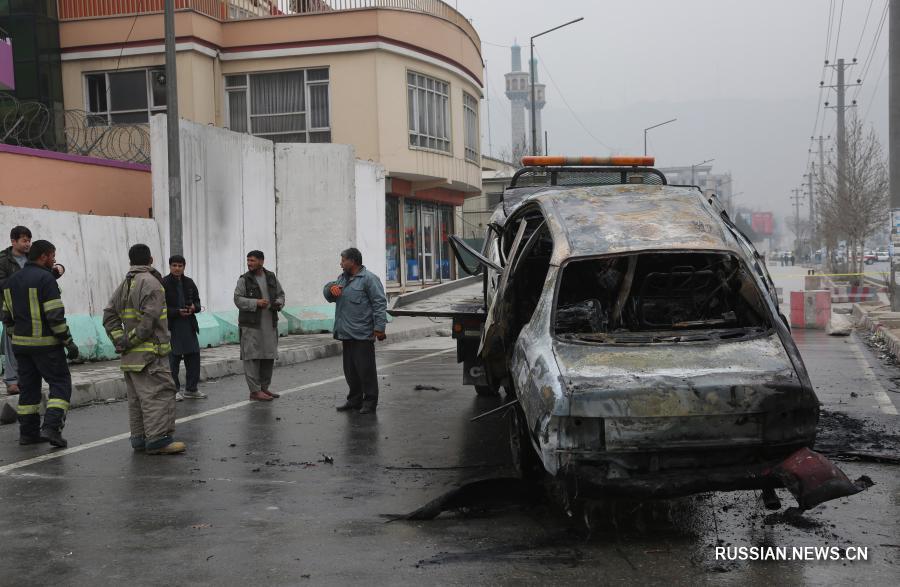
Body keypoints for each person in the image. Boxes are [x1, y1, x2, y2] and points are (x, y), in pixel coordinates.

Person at [103, 244, 186, 455]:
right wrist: (129, 340)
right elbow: (149, 321)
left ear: (131, 260)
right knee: (158, 396)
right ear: (150, 259)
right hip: (151, 354)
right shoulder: (151, 283)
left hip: (131, 357)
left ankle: (140, 439)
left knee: (138, 399)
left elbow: (109, 317)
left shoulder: (125, 283)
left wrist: (119, 340)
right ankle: (158, 440)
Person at [1, 240, 78, 447]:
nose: (54, 260)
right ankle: (52, 427)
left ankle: (28, 433)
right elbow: (54, 316)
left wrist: (16, 339)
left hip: (21, 348)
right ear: (43, 256)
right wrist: (68, 342)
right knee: (60, 384)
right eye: (53, 255)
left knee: (29, 389)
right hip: (47, 346)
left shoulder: (11, 281)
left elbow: (7, 319)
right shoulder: (46, 279)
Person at [0, 226, 66, 396]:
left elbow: (44, 275)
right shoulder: (3, 260)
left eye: (29, 240)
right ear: (13, 241)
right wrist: (23, 281)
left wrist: (56, 271)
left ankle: (23, 379)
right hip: (13, 309)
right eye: (24, 240)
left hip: (35, 309)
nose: (27, 243)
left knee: (25, 349)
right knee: (11, 345)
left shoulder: (33, 257)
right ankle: (11, 381)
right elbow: (3, 284)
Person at [323, 247, 387, 414]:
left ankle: (370, 402)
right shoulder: (342, 279)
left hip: (362, 334)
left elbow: (379, 304)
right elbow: (329, 295)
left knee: (366, 371)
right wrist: (330, 288)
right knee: (351, 371)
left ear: (353, 261)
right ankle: (354, 400)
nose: (340, 263)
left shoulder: (369, 279)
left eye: (343, 260)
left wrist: (379, 328)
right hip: (346, 333)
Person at [233, 250, 285, 401]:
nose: (249, 263)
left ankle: (264, 388)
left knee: (268, 357)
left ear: (261, 261)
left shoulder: (271, 277)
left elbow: (281, 295)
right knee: (252, 358)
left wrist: (278, 303)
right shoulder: (244, 280)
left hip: (270, 325)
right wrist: (256, 302)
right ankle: (254, 391)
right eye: (248, 261)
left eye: (252, 261)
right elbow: (237, 299)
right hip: (251, 326)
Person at [163, 255, 205, 401]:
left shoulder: (189, 282)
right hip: (172, 326)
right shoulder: (163, 283)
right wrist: (176, 311)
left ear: (184, 267)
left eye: (180, 266)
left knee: (193, 357)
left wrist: (194, 308)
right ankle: (173, 390)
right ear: (169, 266)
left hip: (189, 325)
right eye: (174, 265)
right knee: (173, 360)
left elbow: (198, 303)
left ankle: (191, 389)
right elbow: (160, 308)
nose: (177, 268)